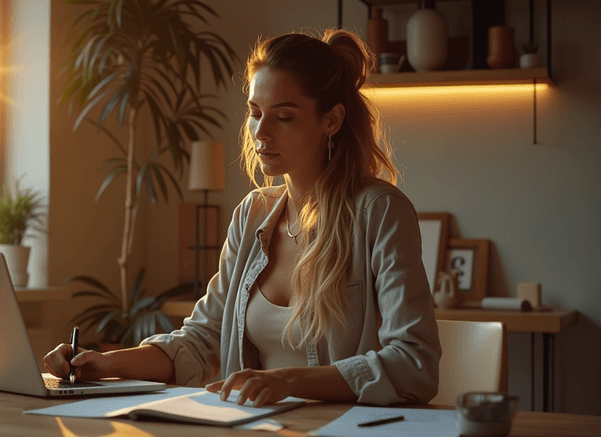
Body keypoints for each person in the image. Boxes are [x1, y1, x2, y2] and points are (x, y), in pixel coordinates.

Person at [44, 29, 441, 407]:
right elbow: (202, 340)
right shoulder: (252, 215)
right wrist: (102, 363)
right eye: (255, 112)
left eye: (283, 117)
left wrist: (286, 382)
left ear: (331, 120)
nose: (260, 132)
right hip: (254, 435)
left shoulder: (379, 212)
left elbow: (414, 364)